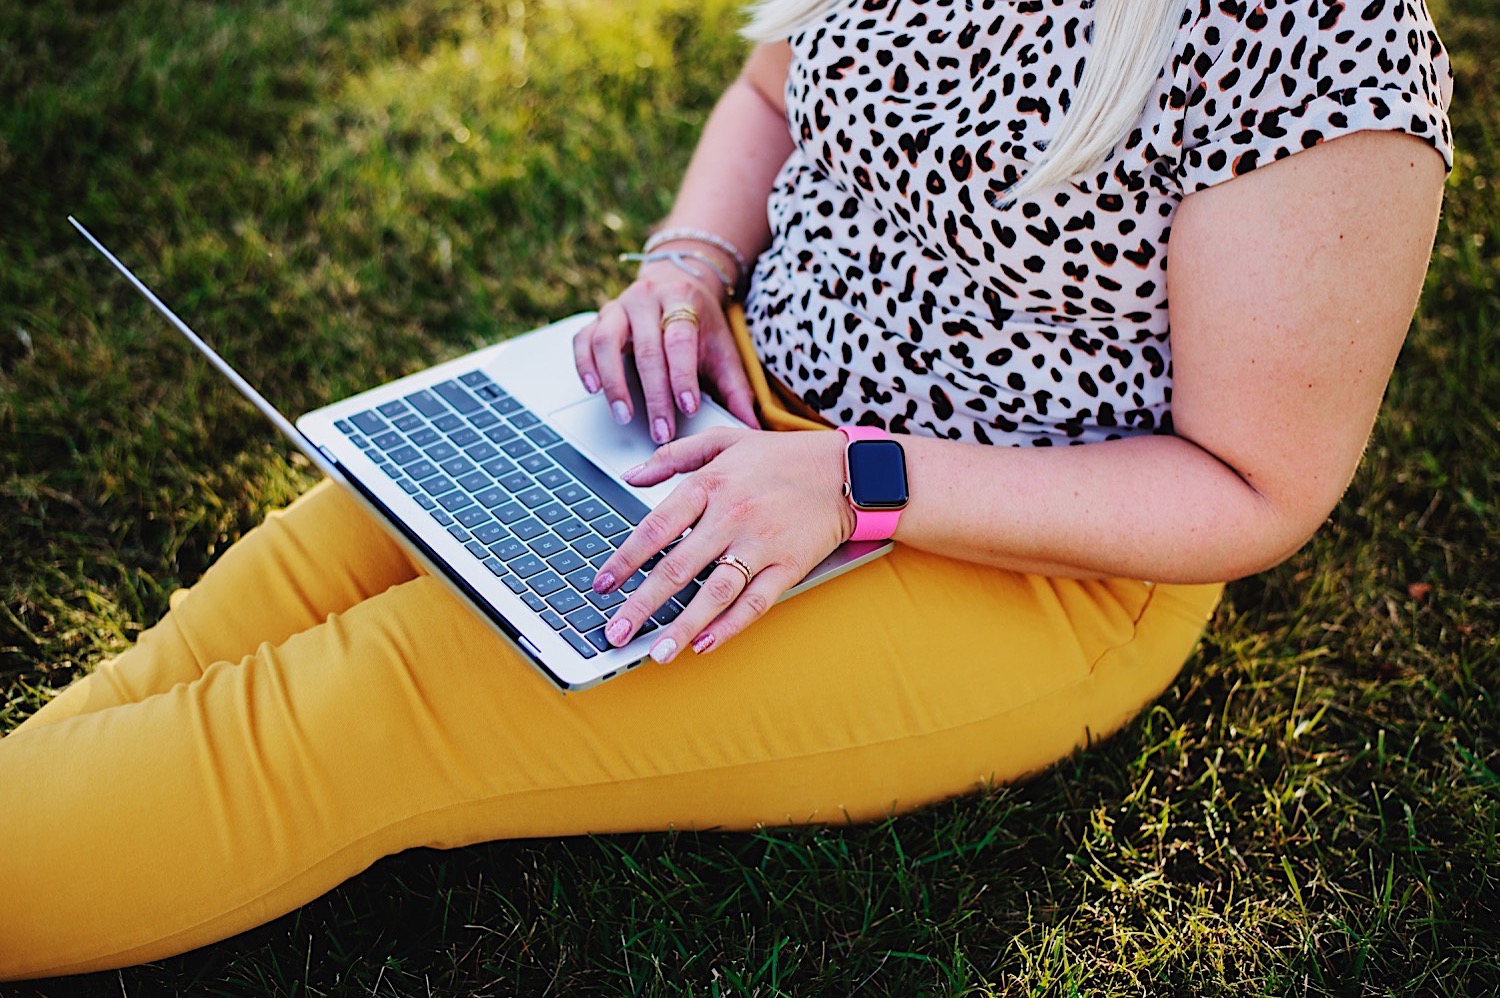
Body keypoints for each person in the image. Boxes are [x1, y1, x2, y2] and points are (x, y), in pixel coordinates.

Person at [0, 0, 1452, 979]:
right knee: (289, 577)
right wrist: (688, 265)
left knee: (378, 707)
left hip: (1019, 553)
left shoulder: (1320, 42)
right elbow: (776, 84)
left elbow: (1254, 483)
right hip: (739, 400)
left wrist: (852, 479)